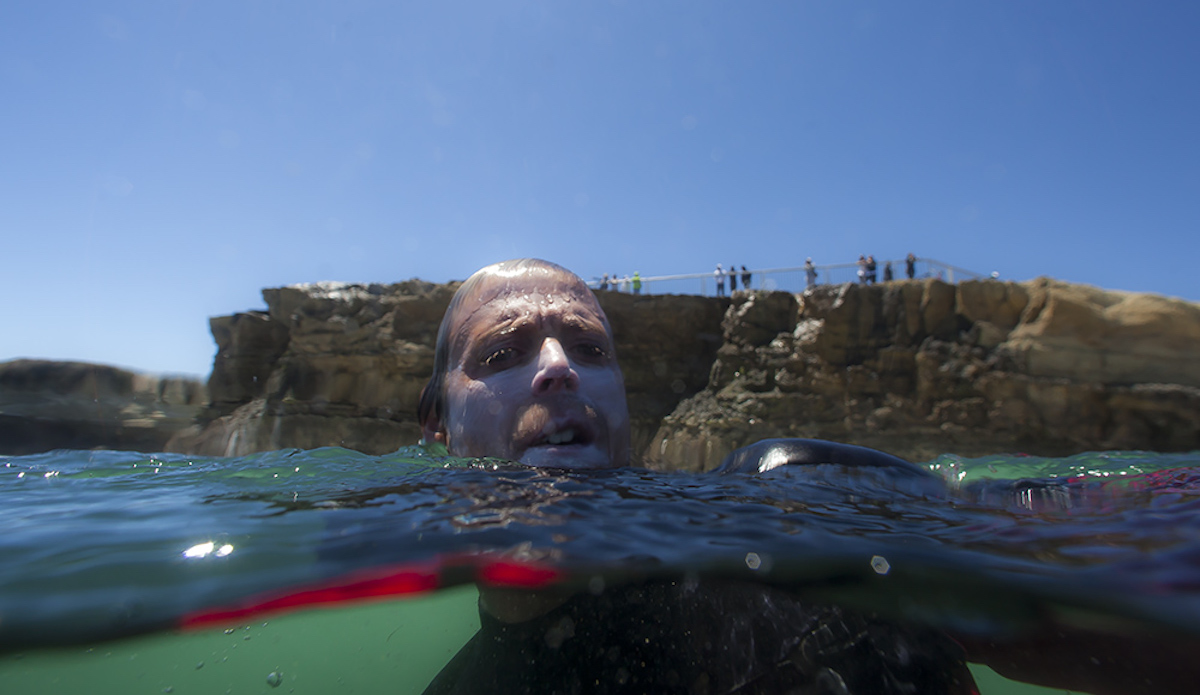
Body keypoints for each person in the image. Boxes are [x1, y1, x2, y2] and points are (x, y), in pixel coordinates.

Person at [419, 259, 1194, 695]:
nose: (560, 369)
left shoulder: (795, 509)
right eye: (501, 354)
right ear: (438, 432)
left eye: (590, 350)